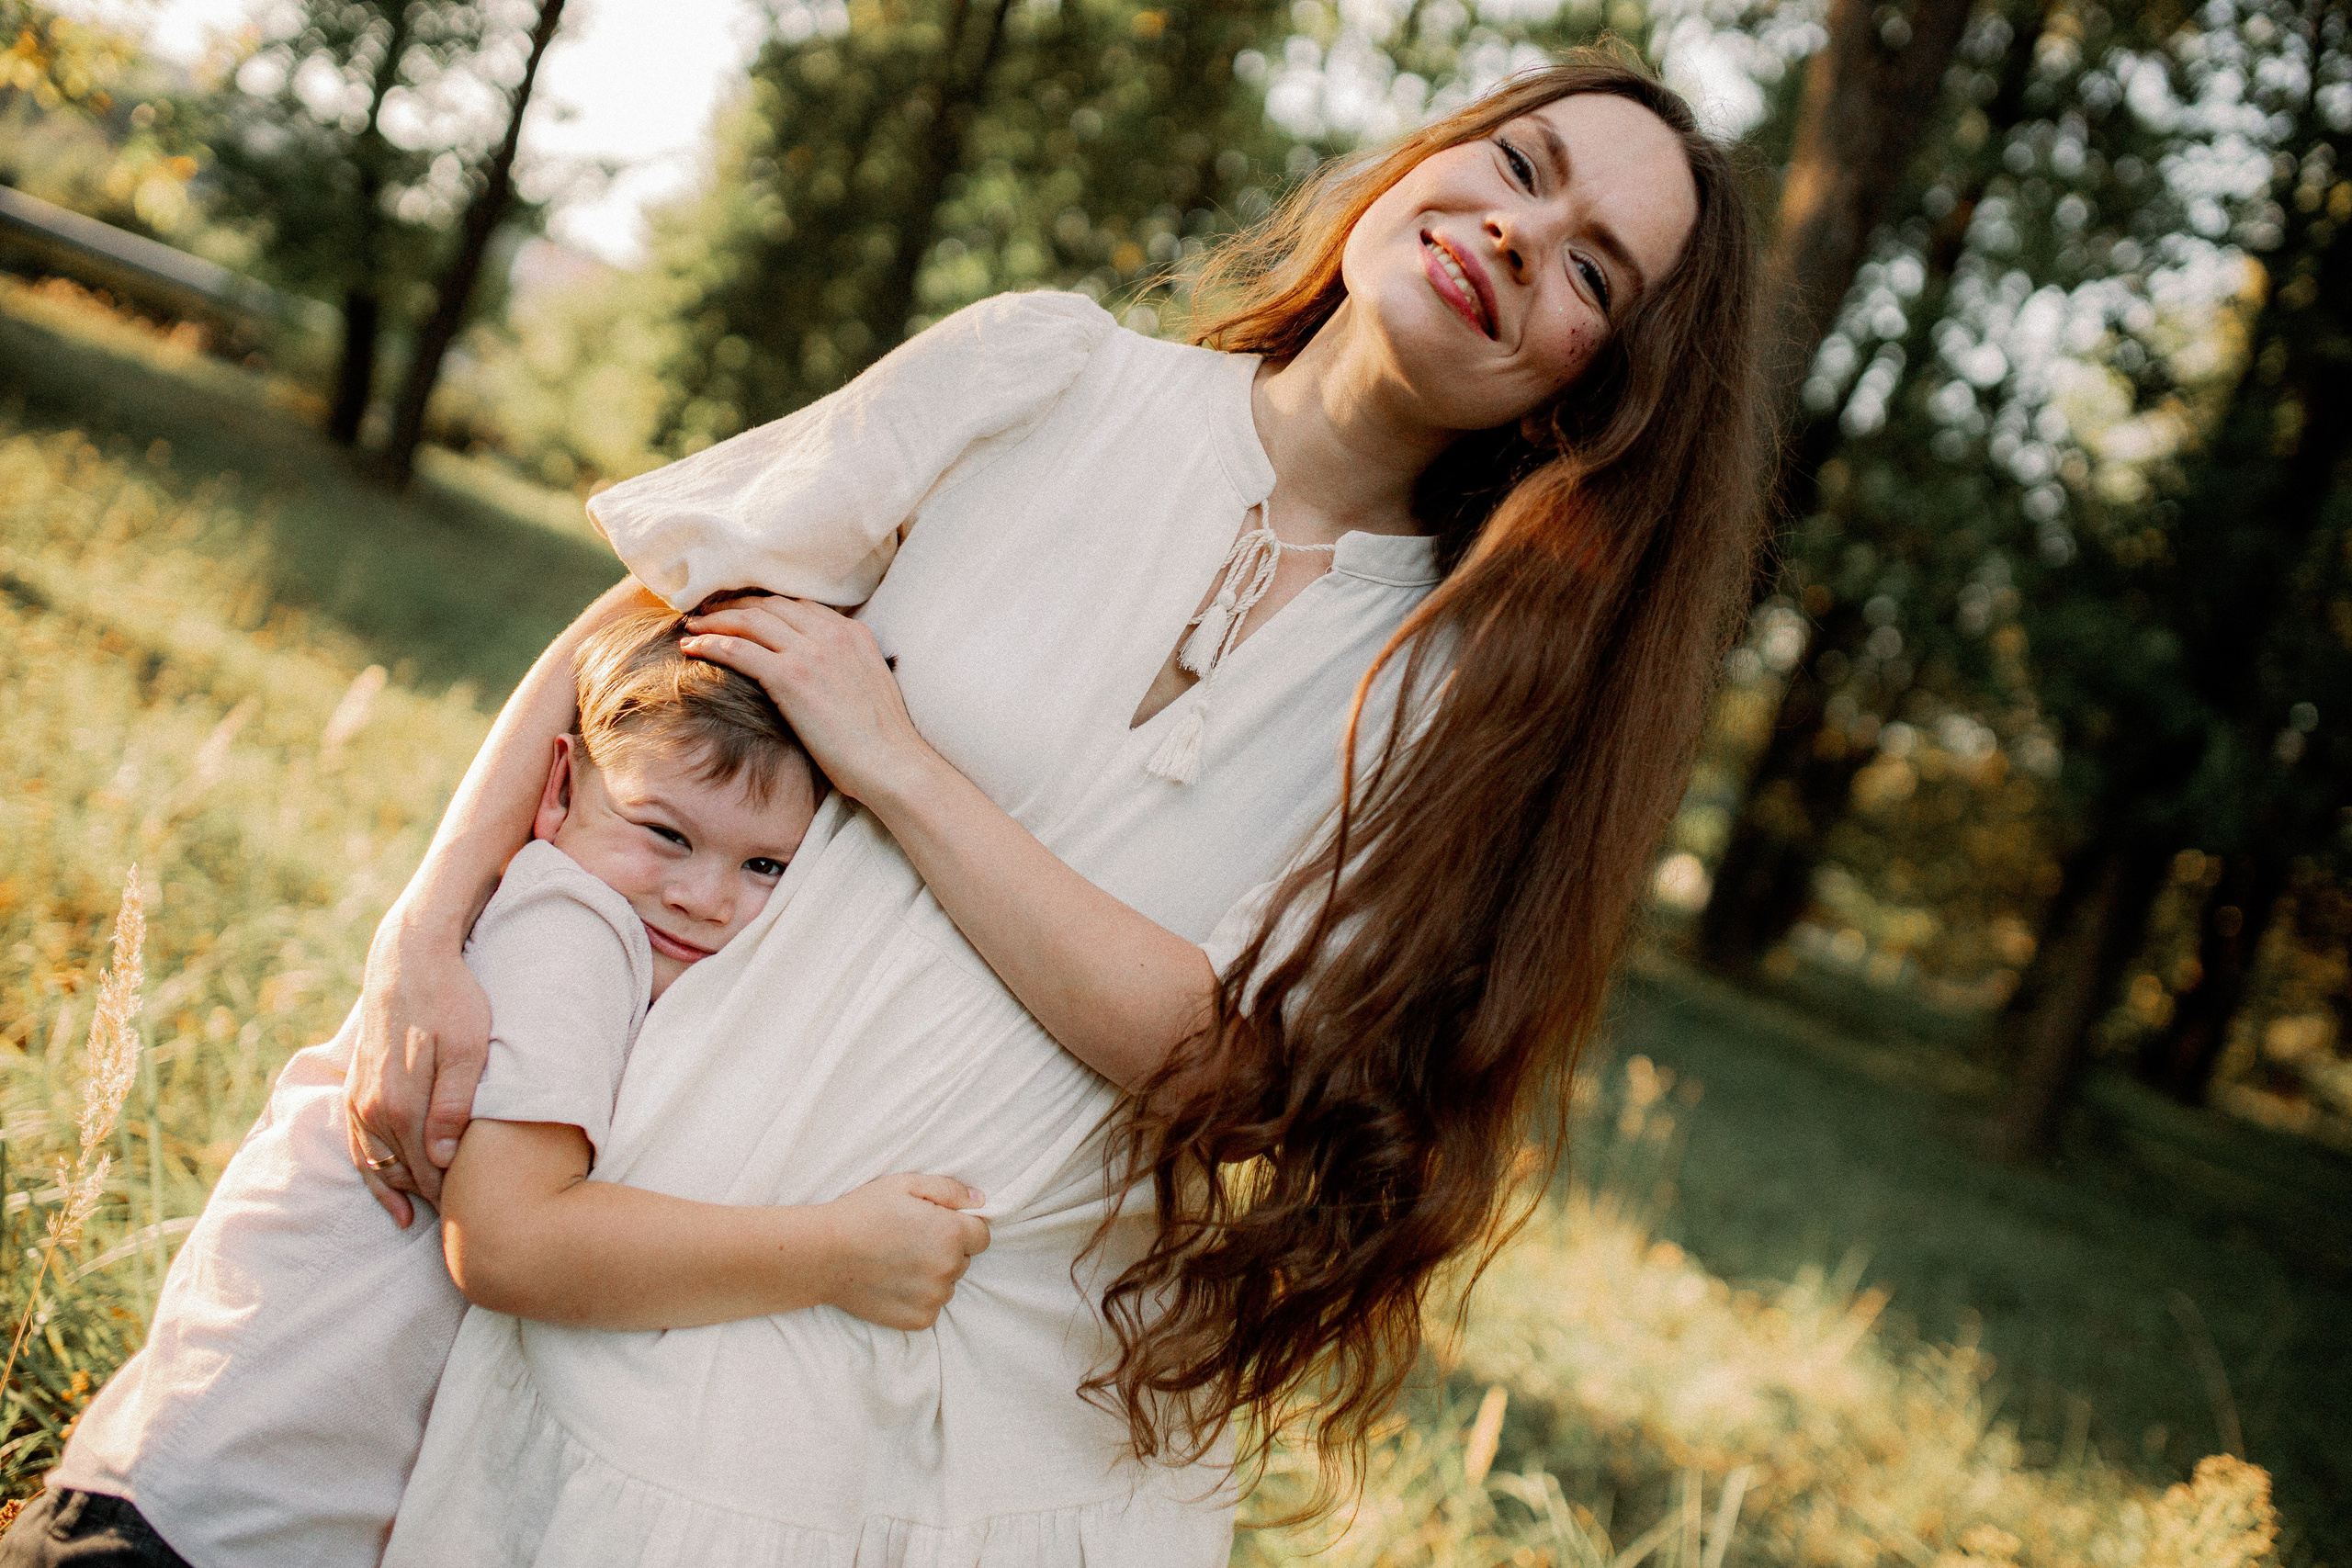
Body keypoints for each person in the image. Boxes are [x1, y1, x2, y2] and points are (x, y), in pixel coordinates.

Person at [356, 52, 1765, 1566]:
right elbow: (633, 640)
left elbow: (1221, 1061)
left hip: (1014, 1408)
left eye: (1593, 275)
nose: (1516, 235)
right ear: (1425, 160)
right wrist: (422, 935)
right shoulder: (1043, 375)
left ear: (1596, 383)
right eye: (1523, 167)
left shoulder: (1466, 695)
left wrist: (895, 757)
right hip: (667, 1247)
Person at [4, 614, 990, 1568]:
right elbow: (509, 1244)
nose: (703, 895)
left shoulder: (612, 937)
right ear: (559, 786)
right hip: (196, 1529)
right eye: (666, 833)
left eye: (765, 864)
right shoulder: (573, 931)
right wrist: (840, 1254)